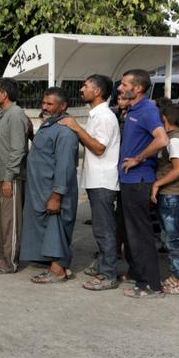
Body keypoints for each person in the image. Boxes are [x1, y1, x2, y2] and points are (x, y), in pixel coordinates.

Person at [59, 74, 120, 289]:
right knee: (102, 228)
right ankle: (104, 264)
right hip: (97, 179)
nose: (81, 90)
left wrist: (76, 128)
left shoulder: (104, 116)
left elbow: (98, 147)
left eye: (86, 86)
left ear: (98, 92)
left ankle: (108, 274)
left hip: (103, 180)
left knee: (104, 230)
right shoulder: (97, 115)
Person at [116, 70, 170, 299]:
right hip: (129, 181)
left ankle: (151, 284)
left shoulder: (147, 110)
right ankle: (139, 276)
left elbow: (162, 139)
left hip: (138, 181)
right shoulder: (133, 110)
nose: (120, 87)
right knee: (132, 234)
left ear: (137, 88)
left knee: (140, 234)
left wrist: (138, 158)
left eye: (124, 84)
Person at [19, 88, 79, 284]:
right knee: (48, 228)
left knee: (57, 227)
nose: (44, 107)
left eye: (50, 104)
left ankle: (58, 270)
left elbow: (65, 166)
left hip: (53, 191)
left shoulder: (65, 131)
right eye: (43, 103)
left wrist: (57, 195)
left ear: (63, 107)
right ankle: (55, 264)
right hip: (41, 189)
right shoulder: (50, 125)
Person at [0, 79, 29, 275]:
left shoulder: (15, 114)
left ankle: (10, 261)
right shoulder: (5, 115)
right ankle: (3, 256)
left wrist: (8, 177)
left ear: (4, 94)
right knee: (0, 220)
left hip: (10, 178)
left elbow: (18, 149)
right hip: (1, 177)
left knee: (10, 221)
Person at [154, 103, 179, 293]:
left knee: (176, 241)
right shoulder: (172, 138)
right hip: (170, 196)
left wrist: (157, 183)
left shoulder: (175, 141)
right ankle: (177, 275)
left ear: (164, 119)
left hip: (174, 196)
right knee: (171, 239)